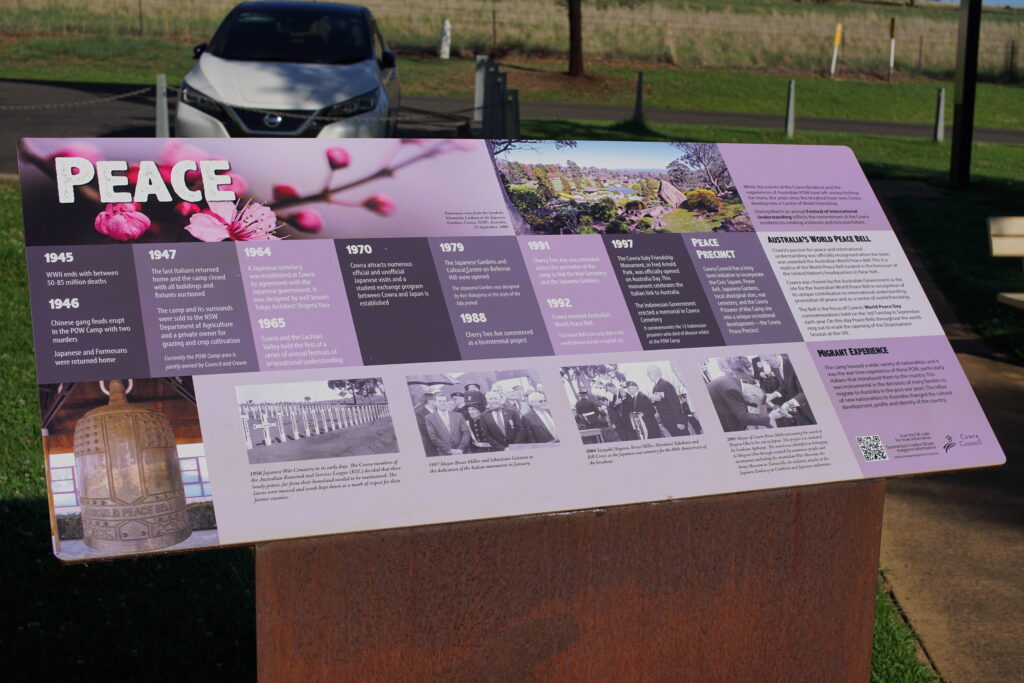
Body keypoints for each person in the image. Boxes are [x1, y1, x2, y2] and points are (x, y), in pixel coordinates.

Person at [707, 357, 783, 432]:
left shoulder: (735, 383)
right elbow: (743, 416)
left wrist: (769, 406)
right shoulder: (732, 389)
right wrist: (770, 416)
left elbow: (748, 402)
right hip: (724, 422)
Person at [772, 354, 816, 427]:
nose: (767, 364)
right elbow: (784, 385)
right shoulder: (775, 367)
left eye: (767, 360)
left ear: (775, 356)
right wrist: (772, 395)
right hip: (798, 410)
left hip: (808, 406)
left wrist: (789, 404)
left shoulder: (793, 361)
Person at [647, 365, 687, 436]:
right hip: (668, 422)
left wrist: (679, 421)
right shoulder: (655, 387)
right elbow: (662, 402)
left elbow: (675, 404)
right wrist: (652, 401)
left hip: (674, 421)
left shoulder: (665, 384)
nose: (648, 375)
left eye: (648, 373)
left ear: (655, 372)